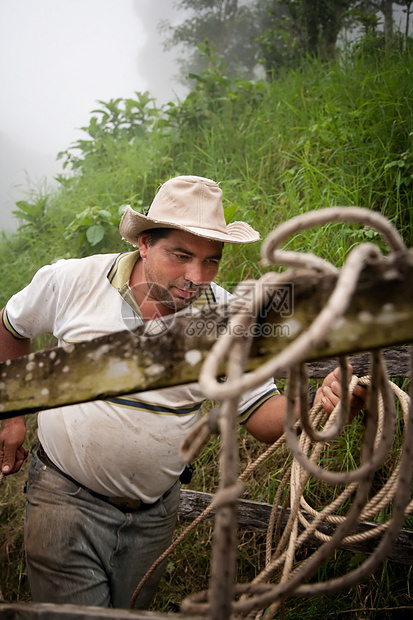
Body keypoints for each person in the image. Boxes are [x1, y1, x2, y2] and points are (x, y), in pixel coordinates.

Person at [0, 175, 366, 609]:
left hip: (154, 514)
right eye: (181, 255)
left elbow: (261, 415)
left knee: (130, 610)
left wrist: (315, 405)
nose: (196, 277)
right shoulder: (72, 281)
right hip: (65, 497)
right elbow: (11, 326)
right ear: (144, 244)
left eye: (212, 260)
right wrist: (11, 412)